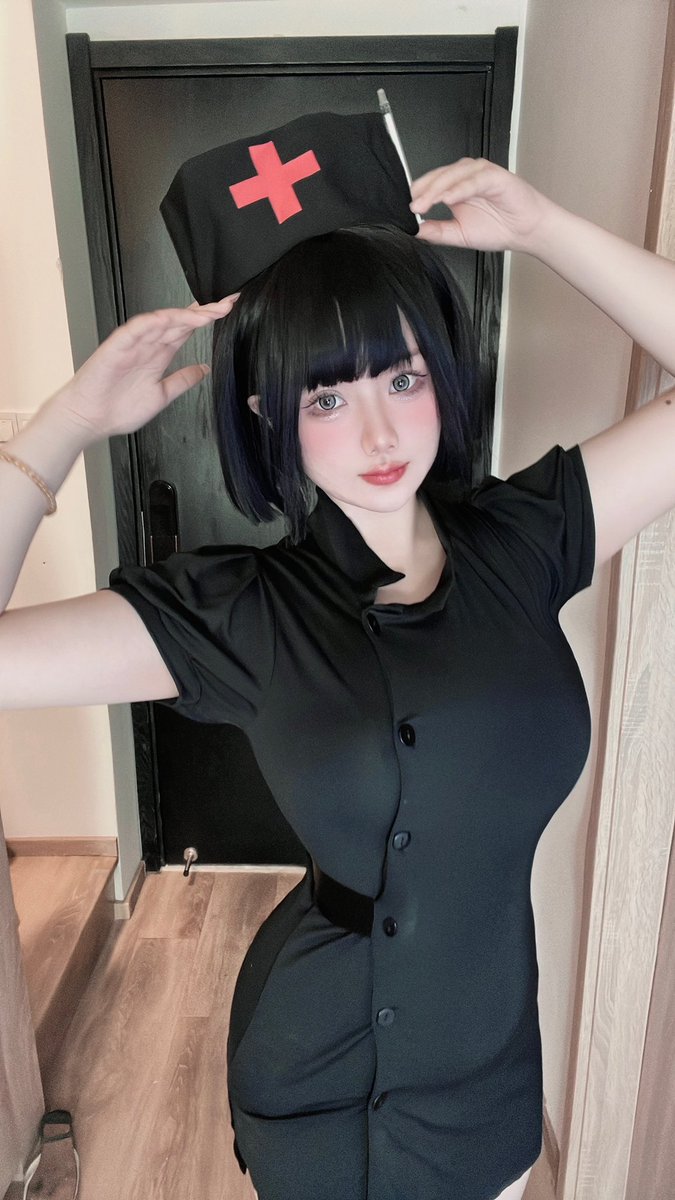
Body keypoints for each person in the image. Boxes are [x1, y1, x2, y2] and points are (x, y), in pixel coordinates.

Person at [1, 138, 674, 1200]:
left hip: (489, 1070)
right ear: (267, 412)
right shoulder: (241, 613)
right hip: (316, 1080)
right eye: (323, 398)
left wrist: (546, 229)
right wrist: (67, 425)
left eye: (402, 378)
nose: (376, 431)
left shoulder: (529, 538)